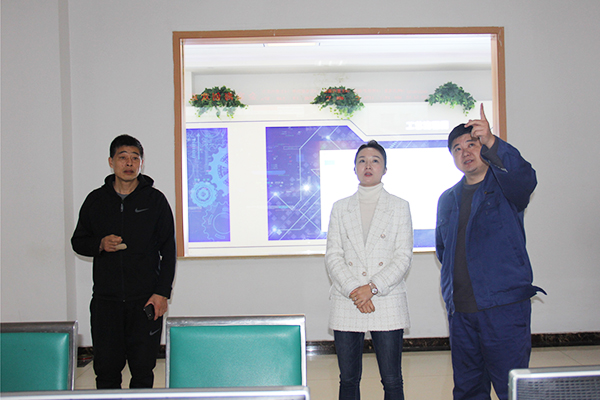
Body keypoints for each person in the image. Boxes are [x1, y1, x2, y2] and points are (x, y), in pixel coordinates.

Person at [435, 105, 545, 400]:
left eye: (471, 144)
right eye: (457, 149)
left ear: (483, 146)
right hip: (461, 312)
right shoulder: (447, 199)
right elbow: (443, 250)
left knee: (512, 388)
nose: (465, 152)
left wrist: (494, 142)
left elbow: (526, 178)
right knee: (468, 389)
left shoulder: (506, 187)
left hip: (503, 308)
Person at [71, 134, 176, 389]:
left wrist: (162, 293)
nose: (129, 163)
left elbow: (168, 251)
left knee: (143, 370)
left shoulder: (155, 201)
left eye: (135, 158)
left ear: (141, 163)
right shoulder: (96, 200)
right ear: (111, 162)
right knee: (106, 371)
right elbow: (78, 241)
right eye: (123, 157)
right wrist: (99, 244)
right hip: (106, 302)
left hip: (145, 302)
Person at [325, 140, 413, 400]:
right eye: (362, 160)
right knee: (348, 379)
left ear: (385, 169)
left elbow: (403, 256)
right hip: (348, 299)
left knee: (392, 380)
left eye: (375, 160)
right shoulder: (340, 207)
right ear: (354, 168)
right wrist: (356, 290)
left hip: (386, 298)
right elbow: (333, 255)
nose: (368, 165)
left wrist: (372, 288)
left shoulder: (399, 206)